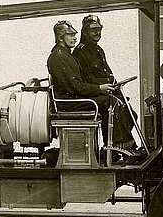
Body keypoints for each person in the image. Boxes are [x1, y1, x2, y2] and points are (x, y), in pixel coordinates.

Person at [47, 20, 133, 151]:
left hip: (73, 99)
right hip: (68, 103)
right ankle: (118, 147)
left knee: (117, 101)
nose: (75, 38)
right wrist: (99, 89)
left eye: (75, 34)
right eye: (70, 35)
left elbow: (78, 84)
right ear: (60, 37)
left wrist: (102, 89)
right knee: (110, 102)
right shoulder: (58, 57)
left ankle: (118, 146)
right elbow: (74, 86)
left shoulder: (66, 55)